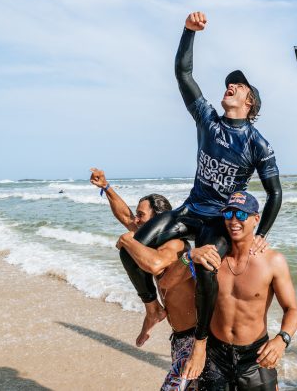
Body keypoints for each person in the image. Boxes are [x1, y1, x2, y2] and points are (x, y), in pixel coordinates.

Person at [120, 11, 283, 375]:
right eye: (231, 84)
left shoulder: (258, 144)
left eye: (240, 87)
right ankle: (152, 307)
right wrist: (188, 32)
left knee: (207, 269)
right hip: (190, 210)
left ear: (250, 103)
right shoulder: (207, 120)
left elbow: (275, 194)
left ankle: (199, 342)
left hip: (218, 222)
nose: (232, 87)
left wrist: (261, 236)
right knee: (131, 250)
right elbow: (183, 74)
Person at [91, 167, 218, 390]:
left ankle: (154, 311)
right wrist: (106, 187)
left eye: (142, 216)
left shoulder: (175, 245)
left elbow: (156, 264)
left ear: (158, 220)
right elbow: (125, 216)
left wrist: (128, 241)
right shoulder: (149, 239)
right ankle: (154, 311)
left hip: (195, 338)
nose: (136, 221)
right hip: (179, 338)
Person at [195, 191, 297, 390]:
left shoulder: (273, 261)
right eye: (228, 214)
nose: (234, 220)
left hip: (256, 357)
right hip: (215, 354)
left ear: (256, 219)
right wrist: (190, 254)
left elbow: (292, 309)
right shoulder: (213, 258)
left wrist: (281, 340)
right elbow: (178, 278)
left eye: (242, 215)